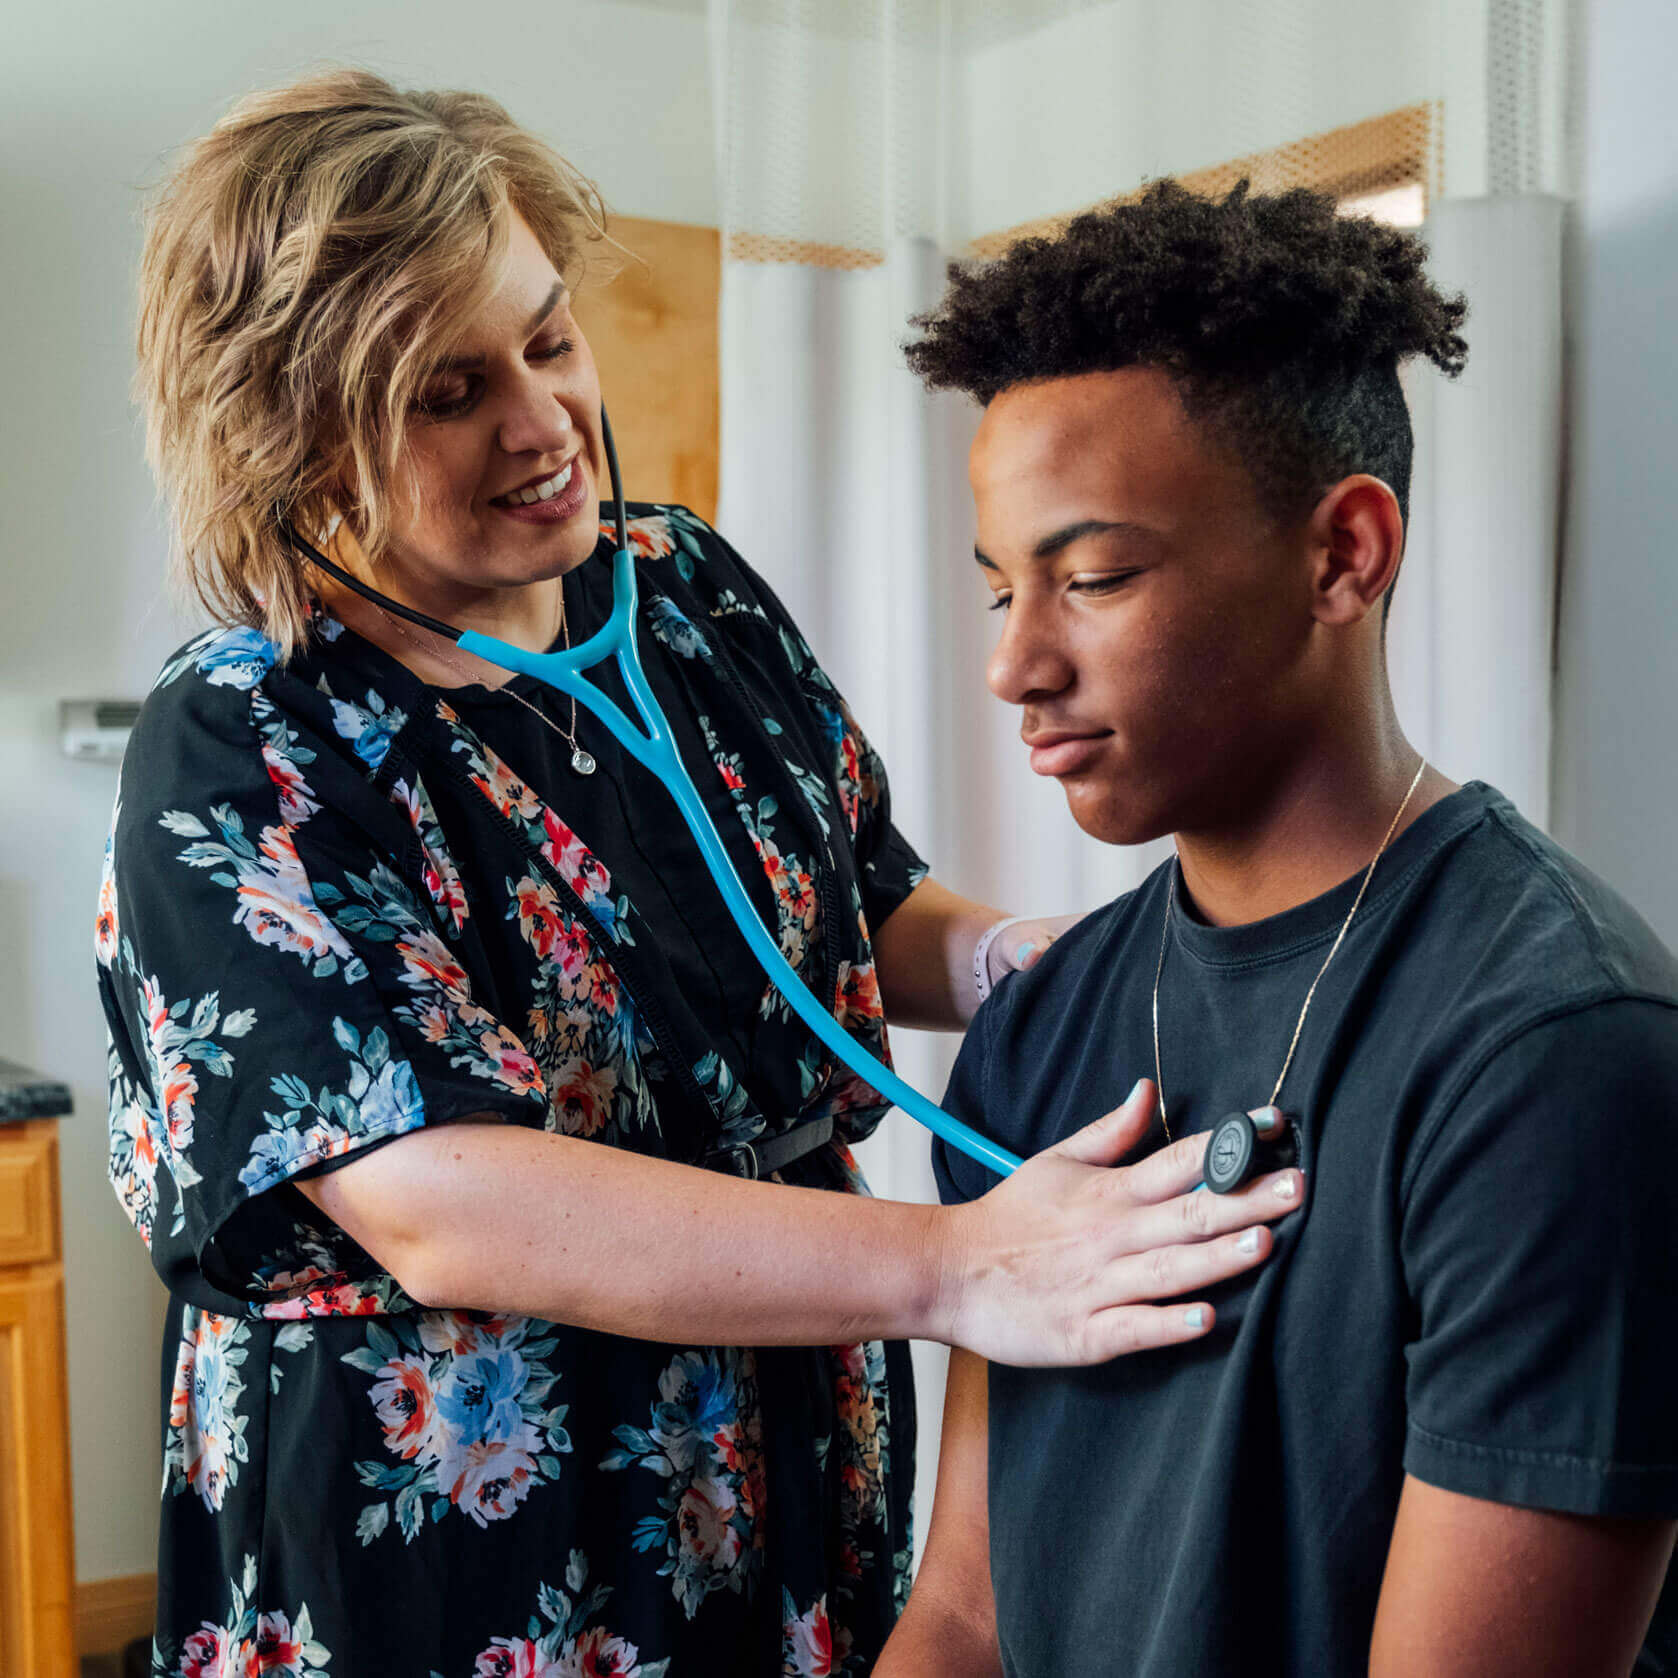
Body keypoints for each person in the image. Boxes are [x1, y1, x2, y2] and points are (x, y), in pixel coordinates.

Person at [98, 76, 1300, 1677]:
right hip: (467, 1530)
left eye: (545, 338)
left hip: (783, 1436)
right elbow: (441, 1202)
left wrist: (1046, 960)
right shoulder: (244, 734)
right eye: (446, 391)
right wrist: (966, 1267)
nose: (541, 422)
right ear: (293, 427)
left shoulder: (682, 589)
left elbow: (852, 909)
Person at [878, 181, 1678, 1677]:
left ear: (1342, 556)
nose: (1013, 664)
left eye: (1093, 577)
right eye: (999, 588)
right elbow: (968, 1614)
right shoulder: (1041, 1029)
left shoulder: (1553, 1054)